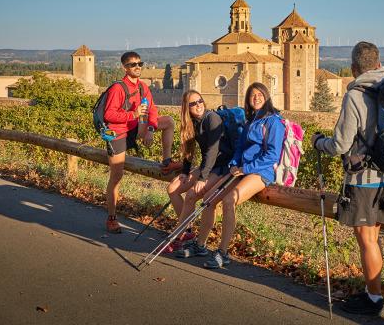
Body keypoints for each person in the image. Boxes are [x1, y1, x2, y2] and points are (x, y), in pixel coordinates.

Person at [312, 41, 384, 317]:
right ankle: (373, 290)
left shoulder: (355, 96)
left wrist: (318, 143)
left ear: (353, 69)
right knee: (373, 237)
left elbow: (340, 144)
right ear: (377, 62)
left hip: (364, 179)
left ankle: (374, 299)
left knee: (367, 240)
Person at [176, 82, 285, 268]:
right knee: (208, 200)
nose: (256, 97)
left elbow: (272, 155)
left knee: (228, 201)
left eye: (260, 94)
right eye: (252, 95)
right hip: (241, 169)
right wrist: (235, 163)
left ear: (266, 96)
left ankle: (223, 252)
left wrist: (246, 168)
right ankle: (200, 245)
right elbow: (240, 146)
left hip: (261, 171)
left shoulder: (274, 121)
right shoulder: (252, 121)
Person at [103, 51, 180, 233]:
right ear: (124, 67)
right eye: (132, 64)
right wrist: (133, 114)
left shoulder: (143, 87)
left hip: (136, 127)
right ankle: (112, 218)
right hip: (119, 132)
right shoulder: (118, 88)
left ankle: (167, 161)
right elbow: (109, 115)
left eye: (140, 63)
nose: (137, 67)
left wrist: (151, 129)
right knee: (116, 177)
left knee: (168, 121)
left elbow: (152, 110)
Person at [164, 90, 233, 253]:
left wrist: (202, 178)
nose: (198, 105)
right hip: (207, 165)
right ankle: (187, 232)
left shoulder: (212, 119)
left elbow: (212, 151)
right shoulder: (192, 122)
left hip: (221, 166)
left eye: (200, 101)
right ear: (186, 108)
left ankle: (178, 236)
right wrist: (185, 171)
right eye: (193, 103)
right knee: (172, 189)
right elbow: (189, 149)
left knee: (191, 196)